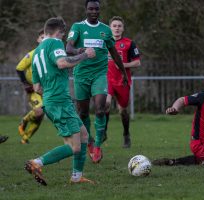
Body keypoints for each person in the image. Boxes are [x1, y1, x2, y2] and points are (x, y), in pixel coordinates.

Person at [24, 17, 96, 186]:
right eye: (63, 35)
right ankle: (36, 162)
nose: (63, 39)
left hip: (51, 101)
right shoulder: (55, 43)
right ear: (59, 33)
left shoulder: (36, 53)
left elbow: (36, 87)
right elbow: (62, 63)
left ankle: (76, 177)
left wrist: (50, 93)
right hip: (60, 101)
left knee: (83, 134)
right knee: (75, 147)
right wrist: (85, 54)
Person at [66, 0, 128, 163]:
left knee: (101, 108)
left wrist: (123, 72)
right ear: (86, 10)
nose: (94, 11)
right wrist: (81, 51)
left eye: (97, 9)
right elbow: (68, 48)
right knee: (83, 113)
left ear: (100, 11)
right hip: (81, 75)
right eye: (91, 9)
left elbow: (114, 52)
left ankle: (98, 146)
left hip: (100, 75)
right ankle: (90, 143)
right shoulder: (78, 27)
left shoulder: (105, 30)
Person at [105, 16, 141, 148]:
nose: (117, 28)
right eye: (114, 26)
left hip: (123, 81)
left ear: (123, 28)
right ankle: (103, 130)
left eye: (119, 26)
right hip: (107, 79)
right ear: (110, 28)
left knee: (123, 111)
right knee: (106, 103)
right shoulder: (104, 42)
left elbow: (137, 62)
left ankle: (126, 134)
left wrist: (122, 65)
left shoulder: (129, 43)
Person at [16, 29, 45, 144]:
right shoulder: (32, 54)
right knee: (39, 112)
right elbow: (19, 68)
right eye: (42, 37)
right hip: (34, 90)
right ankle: (24, 121)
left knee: (40, 117)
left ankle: (25, 138)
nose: (44, 40)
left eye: (46, 37)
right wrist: (26, 84)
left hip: (47, 89)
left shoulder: (51, 55)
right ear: (38, 40)